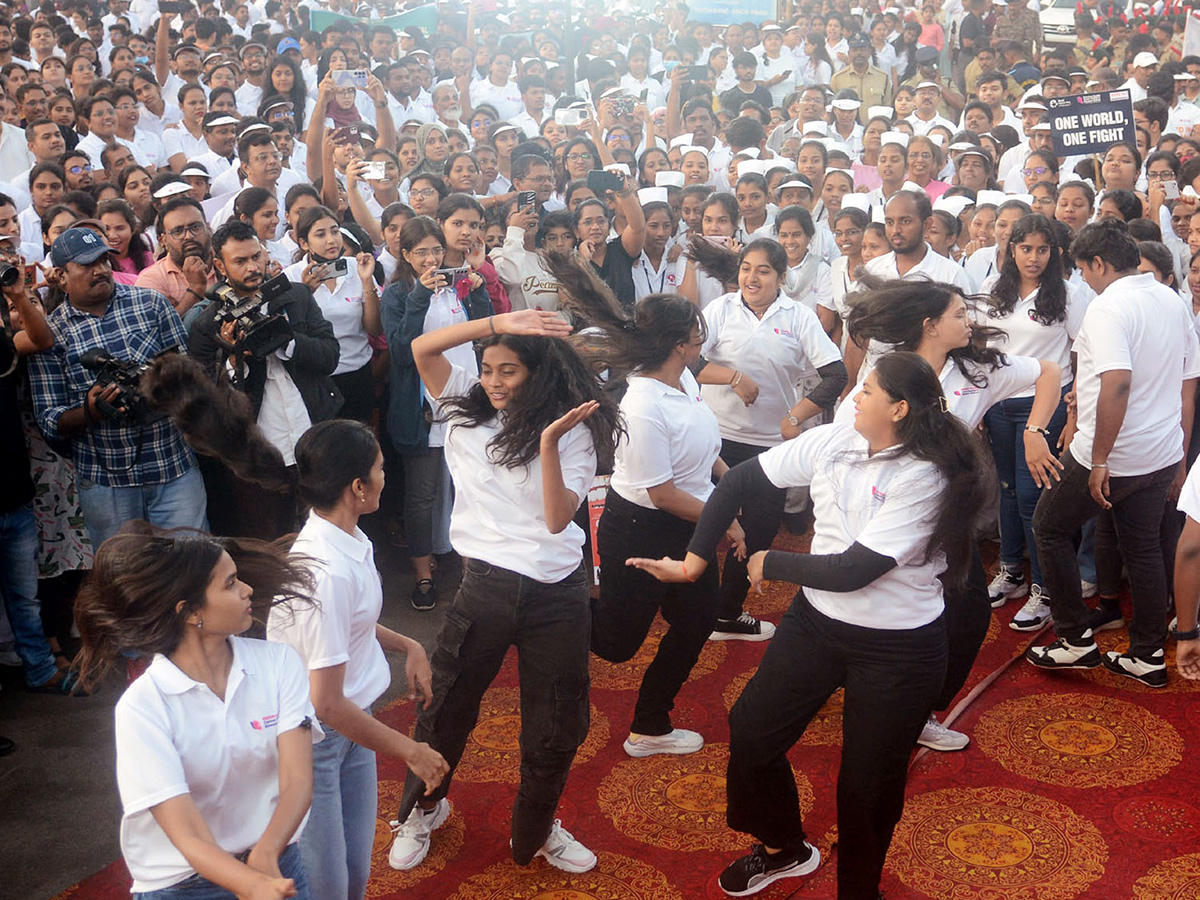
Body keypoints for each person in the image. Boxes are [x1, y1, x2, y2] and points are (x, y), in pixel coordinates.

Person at [629, 349, 988, 899]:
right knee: (751, 732)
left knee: (867, 787)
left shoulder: (927, 475)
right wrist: (694, 562)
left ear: (898, 409)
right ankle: (783, 848)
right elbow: (739, 484)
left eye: (866, 390)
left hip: (899, 648)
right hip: (818, 624)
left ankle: (858, 892)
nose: (853, 397)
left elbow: (856, 569)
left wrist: (772, 562)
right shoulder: (837, 439)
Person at [388, 308, 620, 875]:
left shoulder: (572, 430)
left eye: (508, 371)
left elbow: (556, 519)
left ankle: (539, 829)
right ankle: (420, 810)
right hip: (483, 588)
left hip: (557, 596)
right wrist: (497, 322)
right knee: (446, 709)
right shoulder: (464, 410)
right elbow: (422, 348)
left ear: (537, 376)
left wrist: (546, 444)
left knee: (556, 723)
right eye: (488, 368)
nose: (492, 381)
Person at [842, 276, 1064, 748]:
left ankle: (920, 712)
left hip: (946, 520)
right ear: (930, 326)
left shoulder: (978, 372)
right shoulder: (887, 370)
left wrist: (1035, 431)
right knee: (869, 608)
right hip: (883, 515)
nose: (969, 322)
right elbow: (849, 432)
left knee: (967, 618)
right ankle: (847, 684)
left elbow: (1048, 371)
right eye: (959, 315)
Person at [74, 524, 320, 899]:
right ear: (189, 613)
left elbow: (298, 781)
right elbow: (187, 833)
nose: (248, 590)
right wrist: (251, 884)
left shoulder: (279, 663)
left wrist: (266, 855)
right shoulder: (142, 708)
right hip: (181, 886)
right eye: (230, 584)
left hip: (276, 862)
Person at [267, 419, 447, 900]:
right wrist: (411, 751)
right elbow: (325, 703)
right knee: (325, 886)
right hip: (315, 742)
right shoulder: (324, 573)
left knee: (354, 877)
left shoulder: (349, 538)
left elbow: (354, 626)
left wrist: (410, 644)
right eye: (381, 469)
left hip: (352, 728)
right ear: (357, 487)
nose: (386, 477)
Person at [1027, 219, 1200, 689]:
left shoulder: (1108, 307)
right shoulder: (1172, 298)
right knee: (1142, 549)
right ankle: (1146, 655)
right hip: (1160, 450)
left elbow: (1117, 383)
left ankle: (1074, 641)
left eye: (1084, 270)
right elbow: (1188, 383)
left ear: (1100, 263)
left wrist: (1100, 459)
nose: (1083, 279)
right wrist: (1180, 455)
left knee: (1048, 527)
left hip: (1112, 454)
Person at [695, 239, 847, 639]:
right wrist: (733, 376)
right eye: (746, 268)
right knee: (704, 527)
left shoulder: (798, 316)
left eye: (763, 270)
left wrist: (796, 416)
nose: (752, 277)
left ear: (782, 277)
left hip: (769, 448)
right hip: (714, 439)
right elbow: (688, 360)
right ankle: (691, 609)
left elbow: (836, 374)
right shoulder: (720, 309)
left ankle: (727, 614)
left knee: (758, 535)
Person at [28, 227, 207, 548]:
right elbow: (50, 419)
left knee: (194, 567)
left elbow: (190, 374)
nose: (99, 270)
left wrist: (159, 386)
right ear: (60, 276)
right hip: (106, 483)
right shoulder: (51, 333)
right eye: (86, 265)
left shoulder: (151, 304)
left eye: (103, 261)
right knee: (127, 584)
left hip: (172, 467)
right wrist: (91, 411)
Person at [381, 216, 493, 610]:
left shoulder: (457, 286)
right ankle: (424, 576)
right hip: (423, 409)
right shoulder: (397, 294)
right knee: (422, 496)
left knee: (470, 486)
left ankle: (472, 571)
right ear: (406, 255)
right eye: (421, 252)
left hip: (467, 400)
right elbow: (400, 352)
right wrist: (419, 298)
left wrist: (478, 291)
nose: (431, 259)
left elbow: (485, 332)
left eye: (435, 250)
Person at [981, 214, 1088, 628]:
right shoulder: (993, 288)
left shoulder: (1070, 295)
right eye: (1025, 248)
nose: (1033, 257)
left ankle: (1045, 588)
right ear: (1012, 249)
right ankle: (1011, 570)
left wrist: (1074, 408)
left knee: (1033, 497)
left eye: (1042, 249)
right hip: (999, 402)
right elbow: (983, 345)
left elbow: (1081, 351)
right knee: (1006, 490)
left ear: (1054, 252)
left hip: (1045, 405)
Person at [283, 205, 381, 423]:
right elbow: (291, 337)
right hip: (318, 378)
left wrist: (367, 281)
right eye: (320, 234)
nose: (331, 240)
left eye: (335, 231)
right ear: (303, 243)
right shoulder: (291, 277)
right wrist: (305, 292)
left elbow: (374, 328)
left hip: (358, 373)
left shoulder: (356, 266)